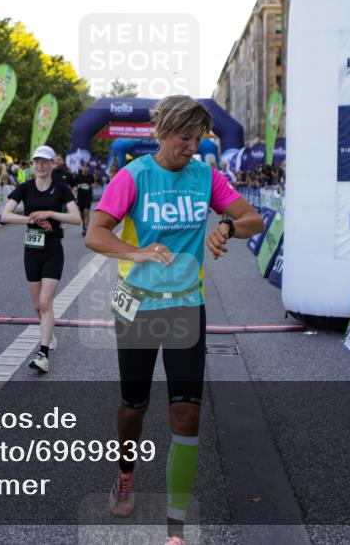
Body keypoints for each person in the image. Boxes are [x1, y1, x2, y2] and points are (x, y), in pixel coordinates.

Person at [85, 96, 263, 545]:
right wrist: (137, 251)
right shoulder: (134, 176)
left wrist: (225, 227)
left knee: (186, 414)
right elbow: (96, 233)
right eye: (187, 137)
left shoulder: (206, 176)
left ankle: (175, 525)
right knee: (135, 407)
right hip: (139, 306)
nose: (194, 146)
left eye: (200, 137)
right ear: (163, 132)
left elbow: (252, 218)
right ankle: (125, 474)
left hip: (186, 305)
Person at [0, 146, 81, 373]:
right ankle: (50, 334)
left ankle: (43, 354)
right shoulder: (25, 188)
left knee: (46, 303)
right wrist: (31, 219)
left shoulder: (61, 188)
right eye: (36, 161)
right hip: (32, 250)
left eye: (44, 162)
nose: (40, 165)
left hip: (53, 250)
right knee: (37, 305)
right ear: (32, 164)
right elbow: (5, 215)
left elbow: (76, 219)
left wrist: (51, 214)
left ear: (52, 164)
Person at [71, 161, 95, 236]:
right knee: (81, 214)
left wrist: (93, 185)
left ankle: (86, 228)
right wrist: (76, 188)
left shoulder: (91, 176)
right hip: (80, 197)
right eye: (83, 167)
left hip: (88, 197)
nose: (85, 168)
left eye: (86, 167)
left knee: (86, 212)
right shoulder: (77, 177)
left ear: (88, 168)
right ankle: (84, 223)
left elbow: (94, 184)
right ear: (81, 168)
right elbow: (74, 186)